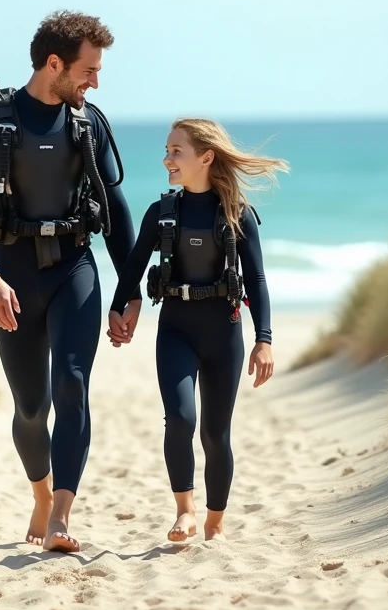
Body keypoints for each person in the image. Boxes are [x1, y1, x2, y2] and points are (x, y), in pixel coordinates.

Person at [0, 10, 142, 553]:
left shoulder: (90, 122)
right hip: (10, 279)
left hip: (73, 270)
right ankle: (39, 494)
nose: (96, 82)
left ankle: (60, 514)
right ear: (53, 64)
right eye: (89, 69)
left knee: (73, 385)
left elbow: (116, 209)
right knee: (32, 408)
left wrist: (127, 292)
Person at [105, 118, 288, 542]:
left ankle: (215, 521)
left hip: (224, 333)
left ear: (205, 157)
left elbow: (257, 279)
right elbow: (132, 267)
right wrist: (119, 309)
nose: (166, 159)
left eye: (176, 151)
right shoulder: (162, 213)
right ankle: (184, 511)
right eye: (167, 151)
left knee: (215, 433)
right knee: (181, 419)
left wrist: (265, 340)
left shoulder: (237, 214)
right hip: (175, 330)